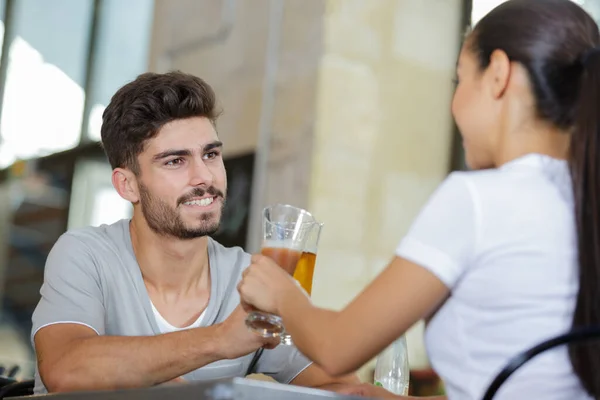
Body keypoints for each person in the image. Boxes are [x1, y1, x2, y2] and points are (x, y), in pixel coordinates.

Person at [237, 1, 600, 399]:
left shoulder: (476, 199)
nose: (454, 104)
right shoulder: (582, 200)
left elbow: (338, 347)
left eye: (460, 80)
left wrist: (280, 291)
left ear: (498, 74)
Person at [30, 71, 362, 394]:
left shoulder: (249, 278)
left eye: (211, 154)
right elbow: (65, 370)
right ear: (127, 184)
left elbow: (343, 388)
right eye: (175, 161)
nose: (204, 176)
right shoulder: (85, 255)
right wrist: (221, 339)